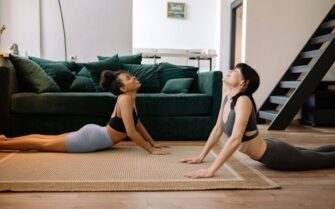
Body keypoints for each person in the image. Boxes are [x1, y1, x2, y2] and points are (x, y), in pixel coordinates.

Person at [180, 63, 335, 178]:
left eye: (235, 71)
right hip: (271, 145)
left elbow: (235, 140)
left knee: (324, 158)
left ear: (243, 83)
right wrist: (201, 156)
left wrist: (210, 170)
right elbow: (217, 129)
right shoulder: (228, 95)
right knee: (317, 152)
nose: (230, 71)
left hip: (275, 155)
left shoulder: (243, 101)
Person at [0, 70, 169, 155]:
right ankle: (3, 144)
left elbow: (137, 124)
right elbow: (131, 133)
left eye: (131, 76)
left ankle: (6, 140)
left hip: (95, 134)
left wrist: (152, 142)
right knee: (43, 144)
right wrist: (150, 150)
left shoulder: (130, 100)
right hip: (92, 138)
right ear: (123, 88)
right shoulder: (124, 99)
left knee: (46, 139)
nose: (133, 78)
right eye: (128, 78)